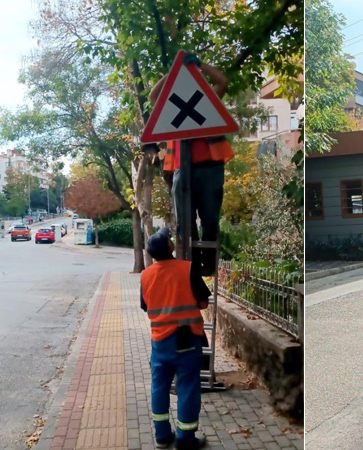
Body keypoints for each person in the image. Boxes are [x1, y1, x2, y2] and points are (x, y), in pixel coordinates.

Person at [149, 53, 233, 277]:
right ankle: (190, 263)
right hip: (181, 169)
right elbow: (152, 96)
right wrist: (174, 70)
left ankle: (209, 262)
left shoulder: (208, 100)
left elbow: (223, 82)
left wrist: (200, 65)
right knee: (185, 223)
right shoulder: (172, 106)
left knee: (210, 220)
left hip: (210, 167)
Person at [141, 227, 211, 449]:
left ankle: (162, 435)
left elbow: (145, 306)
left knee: (159, 386)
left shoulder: (145, 275)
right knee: (188, 387)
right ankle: (185, 438)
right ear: (170, 248)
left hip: (160, 342)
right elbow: (202, 303)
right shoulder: (187, 269)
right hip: (186, 340)